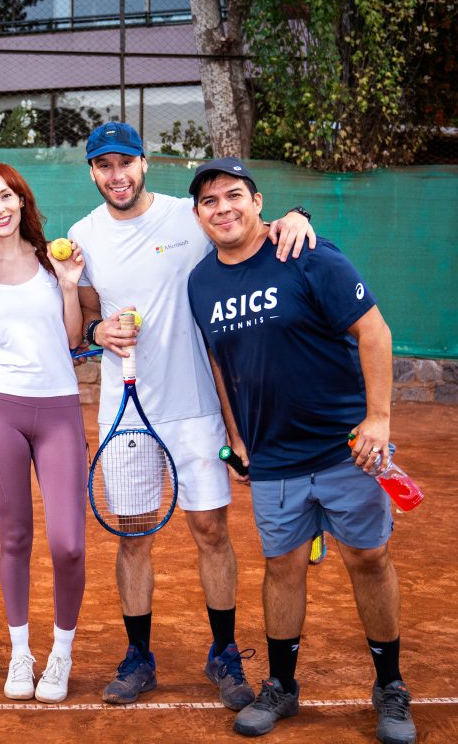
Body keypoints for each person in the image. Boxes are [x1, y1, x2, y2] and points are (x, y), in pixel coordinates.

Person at [68, 122, 315, 711]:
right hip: (126, 412)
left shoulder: (190, 215)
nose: (117, 175)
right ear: (93, 172)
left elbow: (249, 228)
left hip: (197, 408)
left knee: (211, 531)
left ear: (144, 163)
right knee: (133, 536)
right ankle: (139, 657)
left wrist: (297, 214)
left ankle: (224, 652)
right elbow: (84, 319)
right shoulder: (83, 235)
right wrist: (98, 331)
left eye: (125, 162)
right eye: (104, 165)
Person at [186, 157, 415, 743]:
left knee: (368, 560)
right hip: (274, 459)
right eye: (210, 201)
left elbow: (374, 331)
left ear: (257, 202)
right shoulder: (201, 282)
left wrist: (379, 419)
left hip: (346, 450)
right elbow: (219, 363)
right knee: (283, 567)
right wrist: (237, 436)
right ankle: (282, 687)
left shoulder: (307, 254)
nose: (223, 209)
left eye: (234, 195)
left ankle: (390, 685)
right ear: (198, 214)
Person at [0, 163, 88, 703]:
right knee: (14, 539)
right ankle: (20, 653)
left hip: (59, 411)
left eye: (6, 196)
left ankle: (61, 653)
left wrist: (70, 286)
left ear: (21, 200)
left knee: (68, 545)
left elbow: (73, 339)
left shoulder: (54, 260)